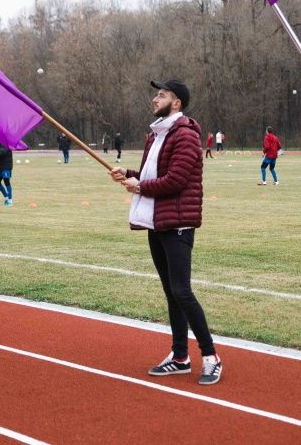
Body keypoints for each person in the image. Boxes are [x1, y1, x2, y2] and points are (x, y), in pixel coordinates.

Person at [110, 79, 221, 386]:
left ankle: (211, 357)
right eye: (155, 93)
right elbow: (153, 173)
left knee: (182, 291)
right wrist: (131, 174)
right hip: (156, 222)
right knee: (171, 292)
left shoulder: (185, 135)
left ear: (176, 103)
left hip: (177, 225)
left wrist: (141, 186)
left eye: (161, 95)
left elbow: (176, 180)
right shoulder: (157, 134)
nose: (154, 98)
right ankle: (180, 357)